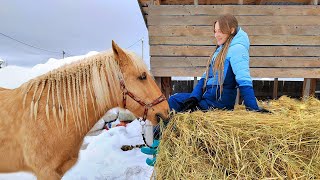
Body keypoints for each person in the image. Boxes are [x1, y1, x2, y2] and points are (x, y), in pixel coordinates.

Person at [141, 13, 270, 166]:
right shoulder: (220, 50)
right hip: (208, 97)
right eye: (215, 31)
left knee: (178, 109)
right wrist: (194, 98)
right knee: (175, 100)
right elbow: (204, 78)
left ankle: (160, 149)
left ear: (232, 30)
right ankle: (159, 145)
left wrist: (252, 107)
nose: (216, 34)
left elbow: (244, 79)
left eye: (220, 31)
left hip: (219, 102)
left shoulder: (237, 49)